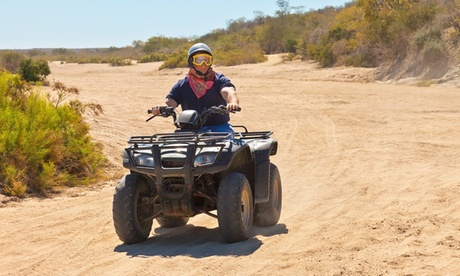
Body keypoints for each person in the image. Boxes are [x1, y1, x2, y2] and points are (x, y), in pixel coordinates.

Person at [151, 42, 240, 135]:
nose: (203, 64)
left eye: (207, 60)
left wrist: (233, 102)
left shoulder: (219, 80)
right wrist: (160, 108)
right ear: (191, 62)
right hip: (190, 129)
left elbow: (229, 92)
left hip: (219, 127)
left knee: (226, 145)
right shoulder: (182, 85)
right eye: (199, 60)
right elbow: (170, 101)